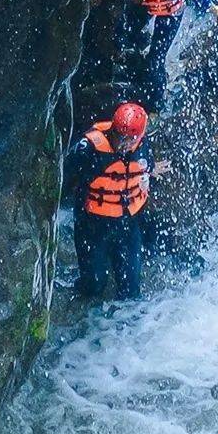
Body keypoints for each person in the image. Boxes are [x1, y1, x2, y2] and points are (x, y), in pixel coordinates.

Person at [64, 102, 155, 300]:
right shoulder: (88, 149)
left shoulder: (143, 146)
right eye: (118, 136)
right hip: (93, 225)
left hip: (127, 224)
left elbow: (147, 169)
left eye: (128, 140)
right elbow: (65, 177)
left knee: (131, 289)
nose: (122, 144)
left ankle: (127, 328)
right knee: (94, 285)